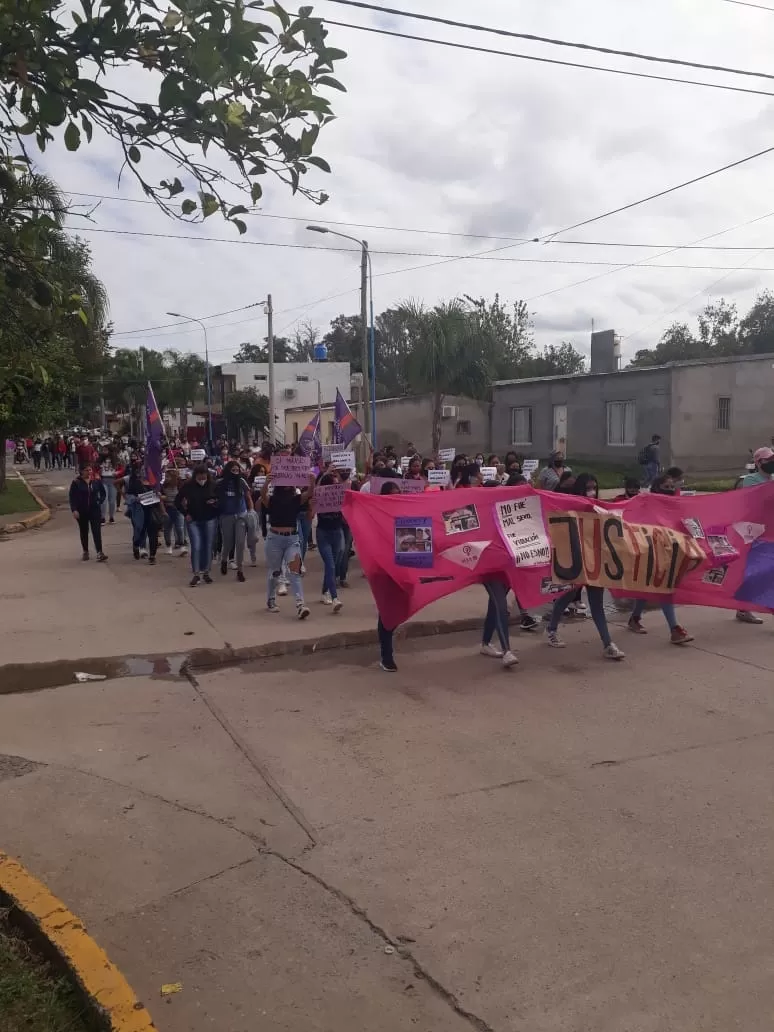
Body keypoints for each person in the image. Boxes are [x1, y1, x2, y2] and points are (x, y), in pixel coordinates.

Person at [545, 473, 625, 660]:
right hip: (575, 561)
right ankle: (552, 629)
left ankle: (608, 644)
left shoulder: (601, 508)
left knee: (596, 605)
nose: (592, 491)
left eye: (594, 487)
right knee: (567, 596)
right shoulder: (570, 505)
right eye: (588, 487)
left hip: (595, 562)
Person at [627, 476, 693, 644]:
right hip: (650, 551)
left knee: (649, 586)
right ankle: (674, 629)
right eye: (666, 486)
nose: (670, 489)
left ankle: (634, 618)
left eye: (672, 486)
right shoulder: (647, 503)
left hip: (669, 551)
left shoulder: (674, 505)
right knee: (664, 588)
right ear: (657, 487)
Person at [260, 474, 312, 619]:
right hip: (274, 539)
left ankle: (300, 604)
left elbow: (309, 494)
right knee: (274, 572)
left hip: (292, 539)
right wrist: (267, 482)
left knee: (294, 572)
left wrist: (312, 481)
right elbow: (263, 496)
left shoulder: (296, 499)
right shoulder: (273, 499)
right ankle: (271, 600)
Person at [734, 446, 774, 624]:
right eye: (768, 460)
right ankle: (743, 608)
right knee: (754, 572)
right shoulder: (751, 480)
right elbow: (753, 502)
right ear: (759, 463)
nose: (772, 462)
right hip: (755, 533)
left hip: (771, 531)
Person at [176, 464, 219, 585]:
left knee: (208, 546)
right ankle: (196, 574)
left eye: (204, 476)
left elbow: (220, 500)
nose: (202, 478)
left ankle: (206, 572)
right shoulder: (188, 486)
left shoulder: (213, 485)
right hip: (193, 520)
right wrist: (185, 513)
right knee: (196, 546)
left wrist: (214, 502)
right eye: (199, 476)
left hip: (209, 519)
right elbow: (177, 501)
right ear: (196, 475)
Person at [216, 459, 254, 582]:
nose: (235, 472)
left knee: (240, 543)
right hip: (226, 516)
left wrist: (251, 510)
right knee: (228, 542)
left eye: (237, 470)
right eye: (233, 470)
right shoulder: (220, 483)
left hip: (241, 515)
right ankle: (224, 559)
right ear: (227, 470)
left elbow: (248, 497)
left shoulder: (242, 482)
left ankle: (240, 570)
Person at [316, 472, 345, 613]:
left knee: (333, 564)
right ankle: (335, 598)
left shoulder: (341, 496)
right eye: (332, 484)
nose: (335, 487)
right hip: (323, 534)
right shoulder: (319, 496)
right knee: (331, 565)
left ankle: (324, 592)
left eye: (336, 484)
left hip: (337, 533)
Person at [69, 465, 108, 562]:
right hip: (81, 511)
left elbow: (103, 493)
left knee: (96, 531)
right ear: (81, 471)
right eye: (86, 470)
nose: (89, 472)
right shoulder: (76, 483)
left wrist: (99, 501)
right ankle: (85, 551)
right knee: (84, 531)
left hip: (94, 510)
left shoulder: (96, 481)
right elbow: (72, 497)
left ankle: (99, 552)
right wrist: (74, 509)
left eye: (90, 470)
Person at [161, 468, 188, 556]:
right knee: (167, 528)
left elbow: (184, 498)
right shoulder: (163, 487)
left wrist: (185, 509)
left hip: (178, 509)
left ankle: (182, 546)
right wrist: (163, 511)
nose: (166, 478)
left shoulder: (180, 486)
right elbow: (160, 500)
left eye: (168, 477)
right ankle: (168, 545)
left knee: (180, 528)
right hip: (167, 509)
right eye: (166, 476)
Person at [97, 445, 118, 523]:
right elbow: (95, 468)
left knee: (112, 501)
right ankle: (102, 517)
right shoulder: (99, 459)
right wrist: (97, 474)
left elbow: (122, 468)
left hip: (113, 481)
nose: (104, 452)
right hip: (103, 480)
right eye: (103, 450)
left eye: (106, 450)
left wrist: (117, 472)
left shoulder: (115, 459)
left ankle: (111, 517)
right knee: (104, 500)